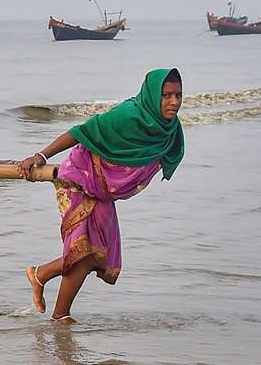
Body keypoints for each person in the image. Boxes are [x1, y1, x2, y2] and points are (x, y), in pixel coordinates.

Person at [18, 68, 185, 325]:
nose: (173, 102)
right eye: (166, 95)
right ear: (153, 95)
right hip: (81, 177)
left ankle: (41, 277)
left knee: (98, 253)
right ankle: (59, 314)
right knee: (83, 251)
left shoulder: (169, 129)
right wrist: (40, 156)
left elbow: (165, 155)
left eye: (178, 95)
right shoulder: (127, 116)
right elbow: (80, 132)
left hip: (103, 190)